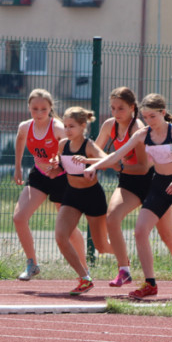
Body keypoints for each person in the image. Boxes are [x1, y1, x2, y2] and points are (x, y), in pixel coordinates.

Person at [85, 93, 172, 299]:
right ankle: (150, 283)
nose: (149, 121)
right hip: (159, 185)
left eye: (153, 116)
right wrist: (95, 166)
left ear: (163, 113)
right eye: (145, 116)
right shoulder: (142, 134)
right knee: (140, 232)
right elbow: (115, 156)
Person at [11, 89, 85, 280]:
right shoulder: (25, 127)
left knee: (68, 228)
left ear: (50, 108)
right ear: (29, 107)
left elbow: (75, 146)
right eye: (34, 108)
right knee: (19, 217)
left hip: (61, 178)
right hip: (39, 175)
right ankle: (31, 264)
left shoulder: (58, 128)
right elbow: (20, 140)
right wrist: (18, 167)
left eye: (43, 109)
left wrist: (59, 163)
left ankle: (84, 269)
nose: (39, 113)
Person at [56, 106, 113, 295]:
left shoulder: (88, 145)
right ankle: (84, 278)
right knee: (61, 236)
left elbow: (108, 160)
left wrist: (88, 162)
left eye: (71, 126)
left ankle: (125, 260)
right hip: (72, 195)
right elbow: (62, 165)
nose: (67, 130)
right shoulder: (63, 144)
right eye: (65, 126)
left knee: (101, 246)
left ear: (82, 126)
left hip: (92, 196)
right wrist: (54, 167)